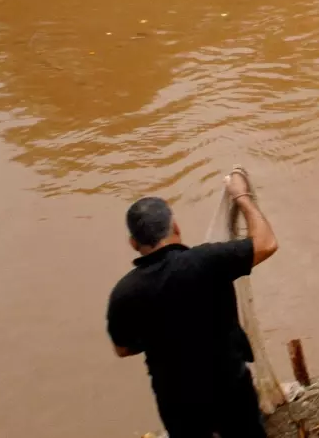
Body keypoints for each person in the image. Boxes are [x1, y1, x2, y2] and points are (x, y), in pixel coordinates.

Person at [107, 171, 279, 437]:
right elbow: (266, 243)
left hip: (176, 399)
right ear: (175, 227)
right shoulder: (207, 261)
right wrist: (242, 196)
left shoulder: (124, 293)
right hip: (228, 385)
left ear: (133, 243)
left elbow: (122, 349)